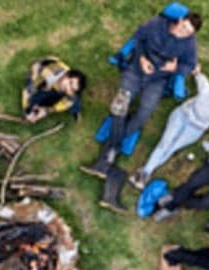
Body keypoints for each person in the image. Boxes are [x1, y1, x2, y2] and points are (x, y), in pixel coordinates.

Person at [82, 10, 202, 184]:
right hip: (135, 71)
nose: (183, 33)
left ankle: (110, 148)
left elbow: (189, 64)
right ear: (179, 20)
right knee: (119, 107)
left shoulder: (189, 45)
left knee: (144, 114)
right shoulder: (156, 25)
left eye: (188, 32)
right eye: (183, 27)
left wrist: (174, 69)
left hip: (158, 81)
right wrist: (142, 59)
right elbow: (138, 38)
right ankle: (110, 153)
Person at [129, 66, 209, 190]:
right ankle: (145, 172)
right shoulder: (206, 89)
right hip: (182, 116)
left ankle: (144, 172)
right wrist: (196, 71)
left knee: (172, 148)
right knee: (165, 143)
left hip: (195, 129)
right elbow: (199, 75)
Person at [22, 57, 87, 123]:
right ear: (67, 75)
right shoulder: (49, 71)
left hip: (54, 86)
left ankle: (75, 110)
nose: (68, 88)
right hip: (44, 80)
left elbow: (66, 103)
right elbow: (28, 91)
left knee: (75, 100)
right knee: (35, 99)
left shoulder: (70, 93)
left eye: (72, 89)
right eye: (70, 82)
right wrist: (26, 110)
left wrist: (46, 111)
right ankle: (32, 109)